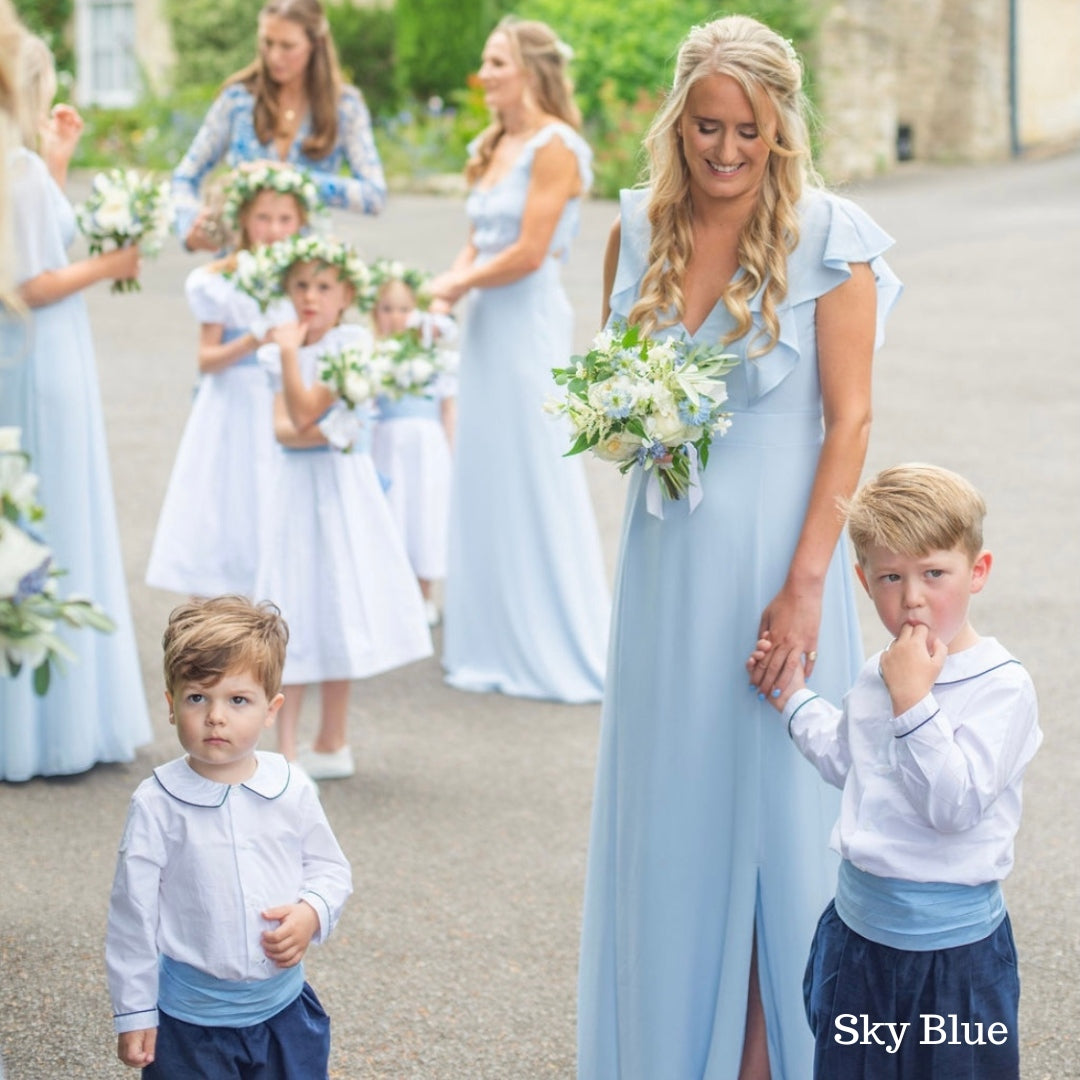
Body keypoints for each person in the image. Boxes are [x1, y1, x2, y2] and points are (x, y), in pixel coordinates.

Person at [576, 15, 902, 1079]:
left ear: (781, 132)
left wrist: (806, 588)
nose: (724, 152)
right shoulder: (635, 231)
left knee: (781, 827)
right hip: (670, 566)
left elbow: (849, 422)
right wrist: (629, 420)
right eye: (708, 127)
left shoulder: (832, 235)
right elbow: (618, 398)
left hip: (780, 562)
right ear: (680, 119)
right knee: (674, 816)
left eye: (748, 134)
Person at [750, 464, 1041, 1079]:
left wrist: (913, 701)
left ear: (977, 572)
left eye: (935, 573)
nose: (912, 597)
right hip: (858, 937)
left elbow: (953, 807)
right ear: (863, 580)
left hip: (953, 955)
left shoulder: (1003, 687)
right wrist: (793, 697)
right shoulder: (882, 668)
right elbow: (849, 761)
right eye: (891, 577)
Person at [428, 16, 609, 703]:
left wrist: (456, 285)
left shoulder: (555, 146)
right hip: (483, 325)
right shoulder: (493, 141)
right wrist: (442, 295)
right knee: (484, 468)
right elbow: (478, 241)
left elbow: (530, 252)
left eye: (497, 60)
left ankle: (554, 635)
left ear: (529, 71)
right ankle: (492, 633)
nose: (486, 72)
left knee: (533, 466)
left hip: (526, 320)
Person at [105, 595, 353, 1075]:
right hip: (189, 1027)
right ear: (172, 705)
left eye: (238, 700)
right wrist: (134, 1011)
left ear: (270, 709)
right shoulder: (157, 803)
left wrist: (311, 911)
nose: (216, 716)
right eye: (198, 697)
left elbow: (329, 867)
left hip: (284, 1015)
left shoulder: (290, 787)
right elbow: (132, 916)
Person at [0, 34, 150, 781]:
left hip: (26, 357)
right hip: (43, 355)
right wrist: (114, 265)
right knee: (54, 517)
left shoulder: (21, 168)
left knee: (35, 519)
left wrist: (58, 158)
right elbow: (29, 280)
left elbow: (33, 235)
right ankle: (43, 725)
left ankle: (32, 714)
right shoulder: (14, 169)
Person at [254, 236, 432, 779]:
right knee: (292, 601)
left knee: (338, 601)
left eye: (324, 287)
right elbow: (289, 430)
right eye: (301, 285)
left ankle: (333, 740)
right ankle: (284, 747)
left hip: (343, 493)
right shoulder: (272, 351)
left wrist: (292, 359)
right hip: (296, 491)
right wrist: (321, 426)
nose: (310, 296)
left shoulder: (353, 341)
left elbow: (304, 415)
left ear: (347, 294)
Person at [145, 164, 315, 598]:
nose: (273, 230)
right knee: (227, 500)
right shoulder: (218, 280)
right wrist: (253, 341)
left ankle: (276, 602)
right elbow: (207, 359)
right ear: (242, 219)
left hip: (285, 400)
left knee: (275, 498)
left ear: (300, 222)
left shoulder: (306, 280)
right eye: (263, 218)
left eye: (284, 220)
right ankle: (217, 612)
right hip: (233, 404)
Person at [172, 0, 385, 253]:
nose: (274, 56)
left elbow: (374, 196)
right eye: (267, 42)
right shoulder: (237, 101)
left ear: (315, 44)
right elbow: (184, 177)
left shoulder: (346, 107)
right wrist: (189, 228)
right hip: (239, 266)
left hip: (306, 274)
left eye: (287, 46)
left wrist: (290, 176)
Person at [369, 261, 457, 627]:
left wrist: (451, 453)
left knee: (425, 514)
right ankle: (389, 594)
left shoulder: (436, 357)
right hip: (386, 444)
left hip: (426, 447)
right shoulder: (372, 356)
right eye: (387, 309)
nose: (396, 317)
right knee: (391, 514)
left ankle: (425, 593)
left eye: (404, 309)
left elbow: (448, 409)